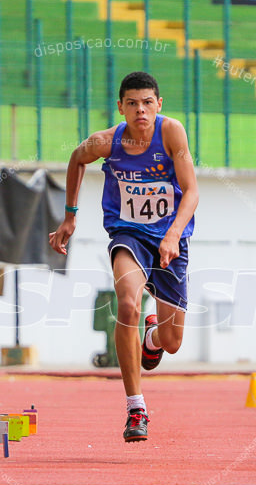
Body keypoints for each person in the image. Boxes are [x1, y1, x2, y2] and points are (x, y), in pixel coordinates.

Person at [49, 71, 198, 442]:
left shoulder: (171, 133)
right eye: (132, 104)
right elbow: (75, 159)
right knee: (127, 304)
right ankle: (136, 407)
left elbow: (192, 191)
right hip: (127, 234)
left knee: (172, 342)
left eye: (147, 103)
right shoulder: (106, 142)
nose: (140, 111)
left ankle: (151, 340)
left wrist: (173, 234)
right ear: (121, 107)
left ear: (158, 105)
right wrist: (70, 216)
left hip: (169, 239)